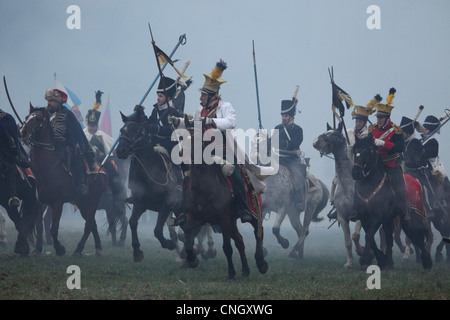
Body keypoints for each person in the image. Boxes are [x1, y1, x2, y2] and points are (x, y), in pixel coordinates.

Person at [169, 59, 253, 223]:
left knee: (235, 174)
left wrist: (211, 122)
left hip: (223, 150)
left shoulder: (226, 106)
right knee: (187, 177)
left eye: (203, 95)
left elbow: (231, 122)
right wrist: (177, 121)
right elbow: (191, 122)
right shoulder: (200, 109)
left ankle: (244, 209)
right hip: (202, 151)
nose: (200, 97)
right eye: (201, 94)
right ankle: (182, 211)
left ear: (212, 96)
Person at [45, 88, 95, 198]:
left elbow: (76, 132)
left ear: (58, 102)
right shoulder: (46, 115)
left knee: (75, 157)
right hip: (50, 146)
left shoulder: (67, 114)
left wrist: (75, 145)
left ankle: (81, 183)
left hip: (66, 145)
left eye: (51, 101)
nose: (49, 103)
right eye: (48, 101)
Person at [83, 91, 127, 213]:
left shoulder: (102, 136)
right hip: (87, 160)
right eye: (90, 125)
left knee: (114, 174)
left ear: (96, 125)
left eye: (94, 126)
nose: (92, 128)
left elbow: (111, 147)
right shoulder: (83, 134)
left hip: (102, 160)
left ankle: (117, 194)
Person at [368, 88, 408, 222]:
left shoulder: (396, 131)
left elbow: (400, 147)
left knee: (399, 186)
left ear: (387, 118)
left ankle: (404, 211)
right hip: (375, 163)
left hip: (390, 163)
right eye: (378, 117)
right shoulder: (371, 129)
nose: (378, 120)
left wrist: (384, 143)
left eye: (381, 117)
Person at [274, 98, 306, 211]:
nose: (283, 118)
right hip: (278, 158)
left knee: (298, 176)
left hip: (291, 159)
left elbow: (295, 144)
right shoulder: (278, 128)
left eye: (286, 116)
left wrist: (282, 143)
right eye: (282, 115)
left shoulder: (298, 130)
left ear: (292, 117)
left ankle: (298, 201)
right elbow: (272, 142)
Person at [0, 109, 30, 208]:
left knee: (10, 166)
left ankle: (13, 196)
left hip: (6, 151)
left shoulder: (5, 117)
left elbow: (12, 136)